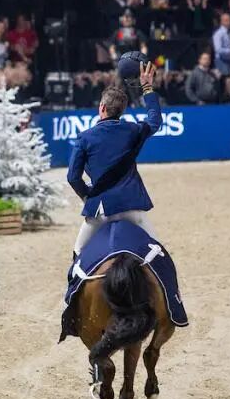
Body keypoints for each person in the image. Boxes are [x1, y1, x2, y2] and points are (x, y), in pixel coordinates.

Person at [67, 54, 162, 258]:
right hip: (132, 206)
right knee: (158, 253)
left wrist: (87, 196)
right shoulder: (133, 130)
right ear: (122, 111)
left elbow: (73, 177)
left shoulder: (85, 137)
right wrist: (147, 87)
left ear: (102, 107)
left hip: (101, 209)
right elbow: (155, 121)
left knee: (78, 255)